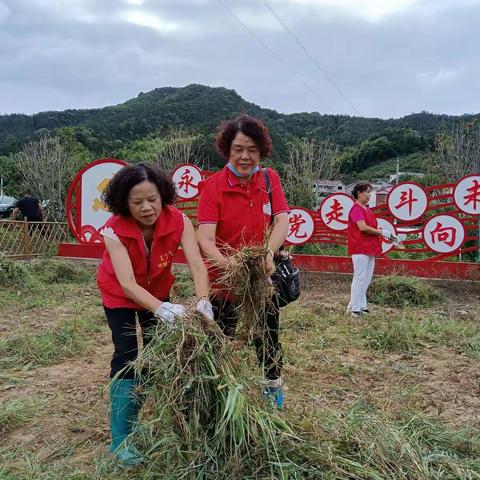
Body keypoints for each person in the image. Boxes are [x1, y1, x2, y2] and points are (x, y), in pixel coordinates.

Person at [97, 163, 213, 466]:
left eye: (153, 199)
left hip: (159, 289)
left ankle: (136, 415)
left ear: (163, 196)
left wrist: (203, 301)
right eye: (137, 203)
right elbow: (126, 283)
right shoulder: (113, 230)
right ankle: (120, 439)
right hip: (119, 296)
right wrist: (161, 309)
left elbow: (197, 265)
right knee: (127, 355)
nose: (146, 208)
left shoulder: (180, 221)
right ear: (125, 203)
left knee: (155, 354)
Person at [197, 114, 290, 409]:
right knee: (221, 339)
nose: (245, 156)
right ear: (227, 150)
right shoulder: (212, 187)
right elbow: (205, 239)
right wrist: (230, 265)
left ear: (261, 151)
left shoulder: (269, 179)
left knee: (268, 338)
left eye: (251, 149)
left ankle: (272, 395)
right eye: (238, 149)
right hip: (224, 282)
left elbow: (282, 220)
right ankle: (223, 396)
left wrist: (267, 251)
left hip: (262, 279)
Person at [347, 181, 396, 317]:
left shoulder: (366, 209)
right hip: (360, 247)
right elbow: (362, 227)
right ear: (359, 193)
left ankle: (361, 305)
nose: (370, 195)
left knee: (366, 279)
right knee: (360, 278)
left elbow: (371, 227)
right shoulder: (355, 209)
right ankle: (354, 307)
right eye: (367, 192)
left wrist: (383, 232)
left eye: (370, 192)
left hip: (369, 248)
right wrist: (381, 232)